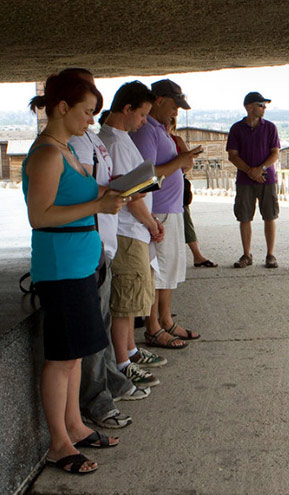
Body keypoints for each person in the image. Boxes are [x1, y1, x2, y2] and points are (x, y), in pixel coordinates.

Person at [24, 72, 124, 474]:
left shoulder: (65, 150)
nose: (89, 121)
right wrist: (98, 207)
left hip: (80, 263)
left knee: (77, 353)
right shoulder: (47, 154)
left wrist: (111, 192)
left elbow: (77, 194)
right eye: (86, 112)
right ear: (62, 108)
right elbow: (39, 215)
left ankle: (76, 426)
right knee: (61, 358)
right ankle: (58, 444)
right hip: (61, 267)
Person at [67, 74, 151, 432]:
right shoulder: (70, 145)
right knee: (89, 329)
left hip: (102, 241)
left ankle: (108, 380)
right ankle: (95, 397)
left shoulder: (90, 139)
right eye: (87, 110)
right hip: (88, 245)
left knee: (99, 323)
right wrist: (114, 193)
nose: (92, 118)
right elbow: (54, 207)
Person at [100, 81, 166, 392]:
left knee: (132, 298)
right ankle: (123, 363)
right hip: (128, 230)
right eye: (142, 115)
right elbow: (131, 194)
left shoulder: (121, 139)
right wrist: (151, 224)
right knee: (125, 302)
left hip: (135, 229)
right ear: (127, 109)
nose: (144, 122)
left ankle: (131, 351)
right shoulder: (113, 142)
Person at [131, 79, 202, 348]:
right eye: (174, 106)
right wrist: (179, 163)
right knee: (157, 272)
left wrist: (180, 163)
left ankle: (165, 320)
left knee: (168, 271)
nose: (176, 112)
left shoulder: (159, 129)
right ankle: (153, 326)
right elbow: (144, 174)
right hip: (158, 210)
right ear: (159, 100)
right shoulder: (146, 131)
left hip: (170, 209)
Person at [226, 91, 280, 269]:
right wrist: (249, 171)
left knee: (270, 216)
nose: (264, 108)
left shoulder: (270, 127)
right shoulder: (236, 129)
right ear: (249, 107)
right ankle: (246, 254)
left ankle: (270, 255)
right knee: (244, 217)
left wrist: (260, 169)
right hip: (244, 180)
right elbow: (232, 155)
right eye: (261, 105)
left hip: (267, 178)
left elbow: (275, 153)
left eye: (265, 105)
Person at [167, 116, 216, 268]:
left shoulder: (176, 140)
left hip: (176, 187)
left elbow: (188, 164)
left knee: (185, 220)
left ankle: (197, 255)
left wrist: (174, 170)